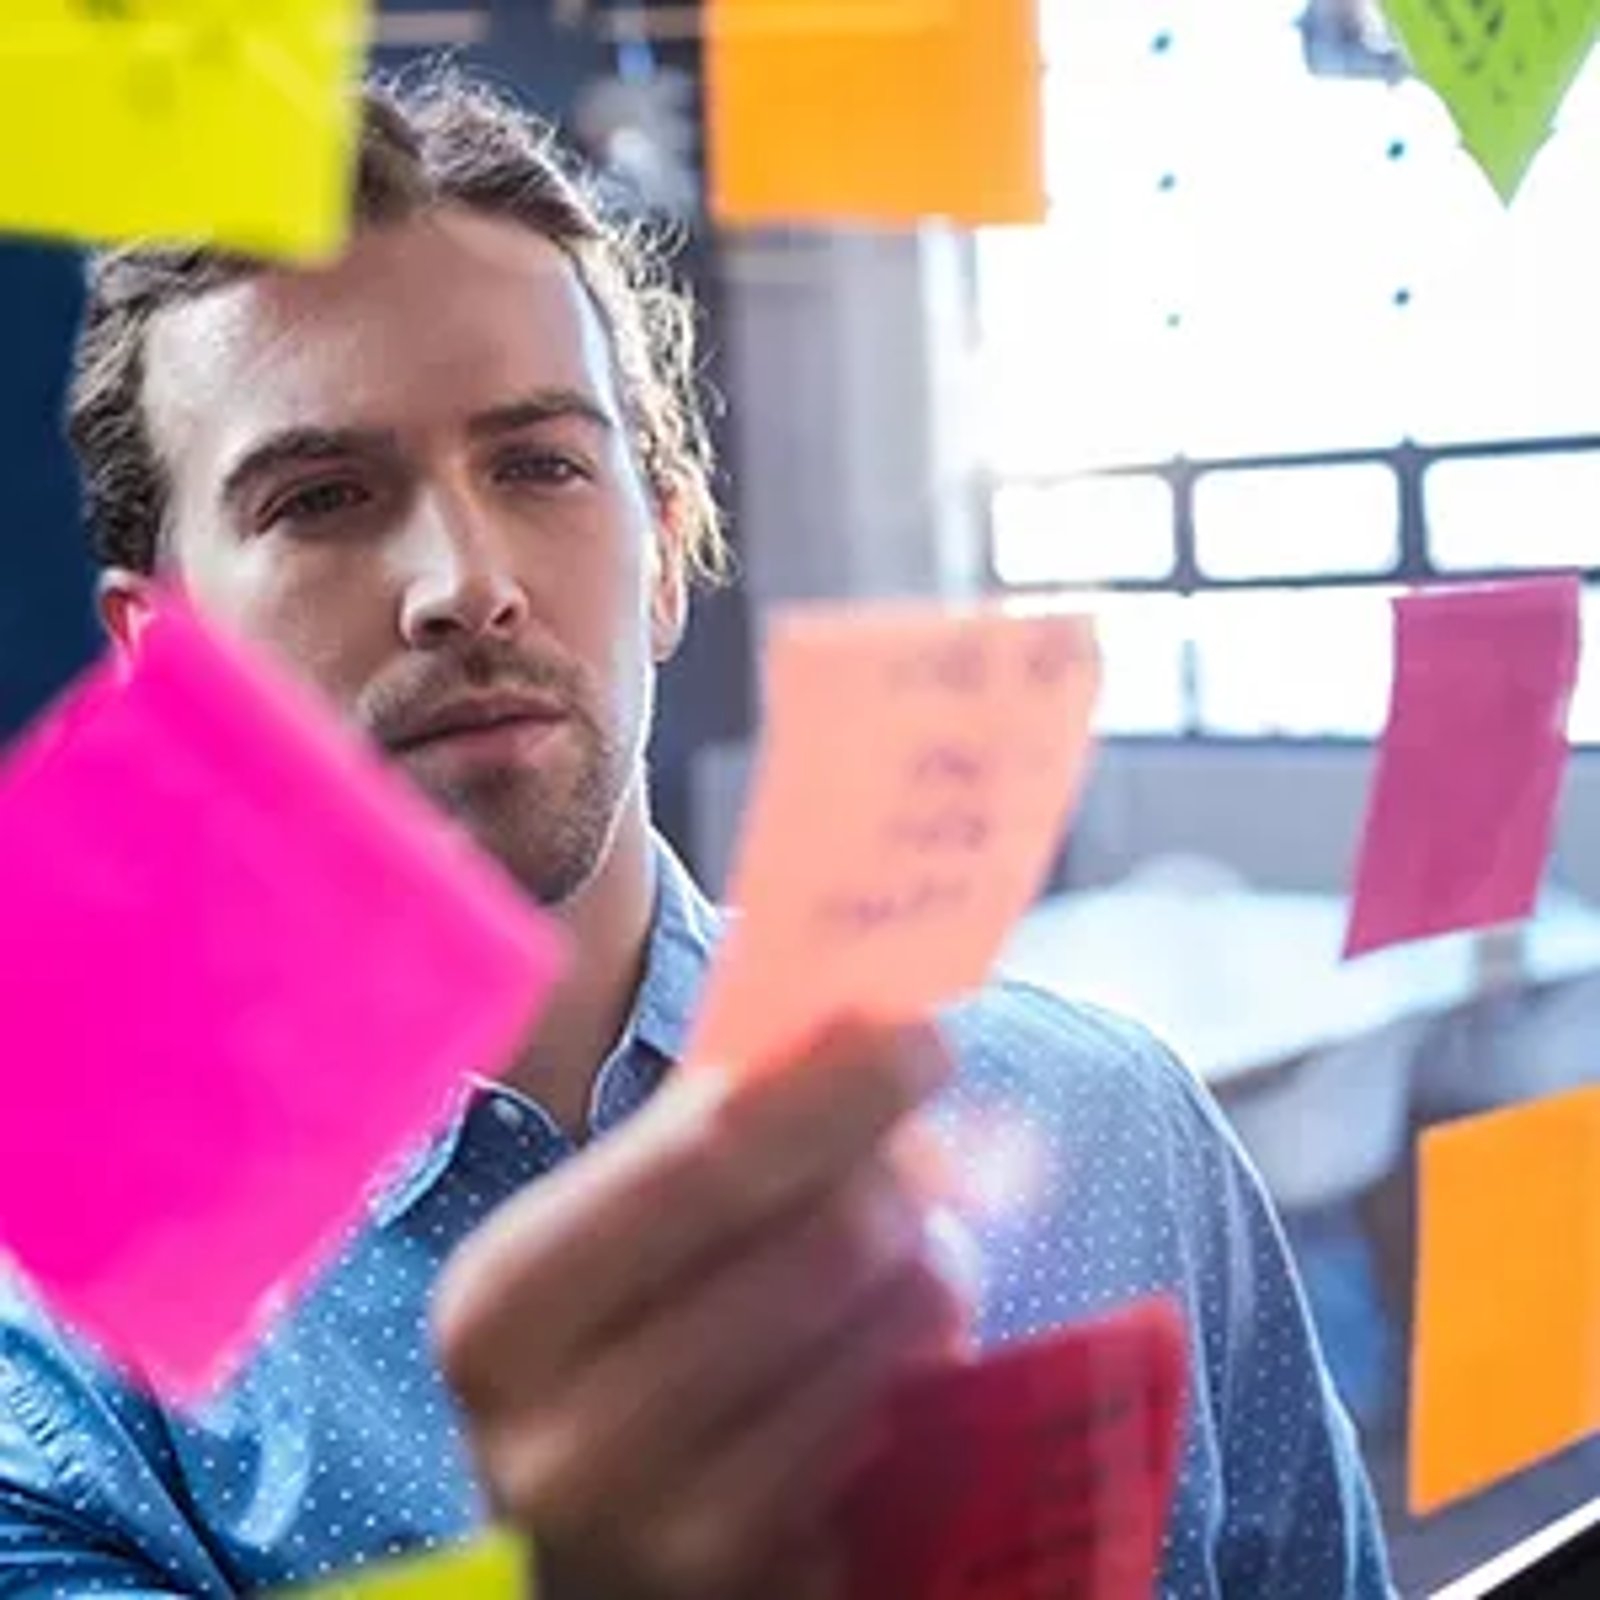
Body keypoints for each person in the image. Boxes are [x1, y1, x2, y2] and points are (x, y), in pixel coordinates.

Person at [0, 68, 1393, 1599]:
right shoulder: (67, 1360)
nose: (465, 580)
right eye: (324, 497)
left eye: (539, 465)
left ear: (666, 557)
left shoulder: (1117, 1126)